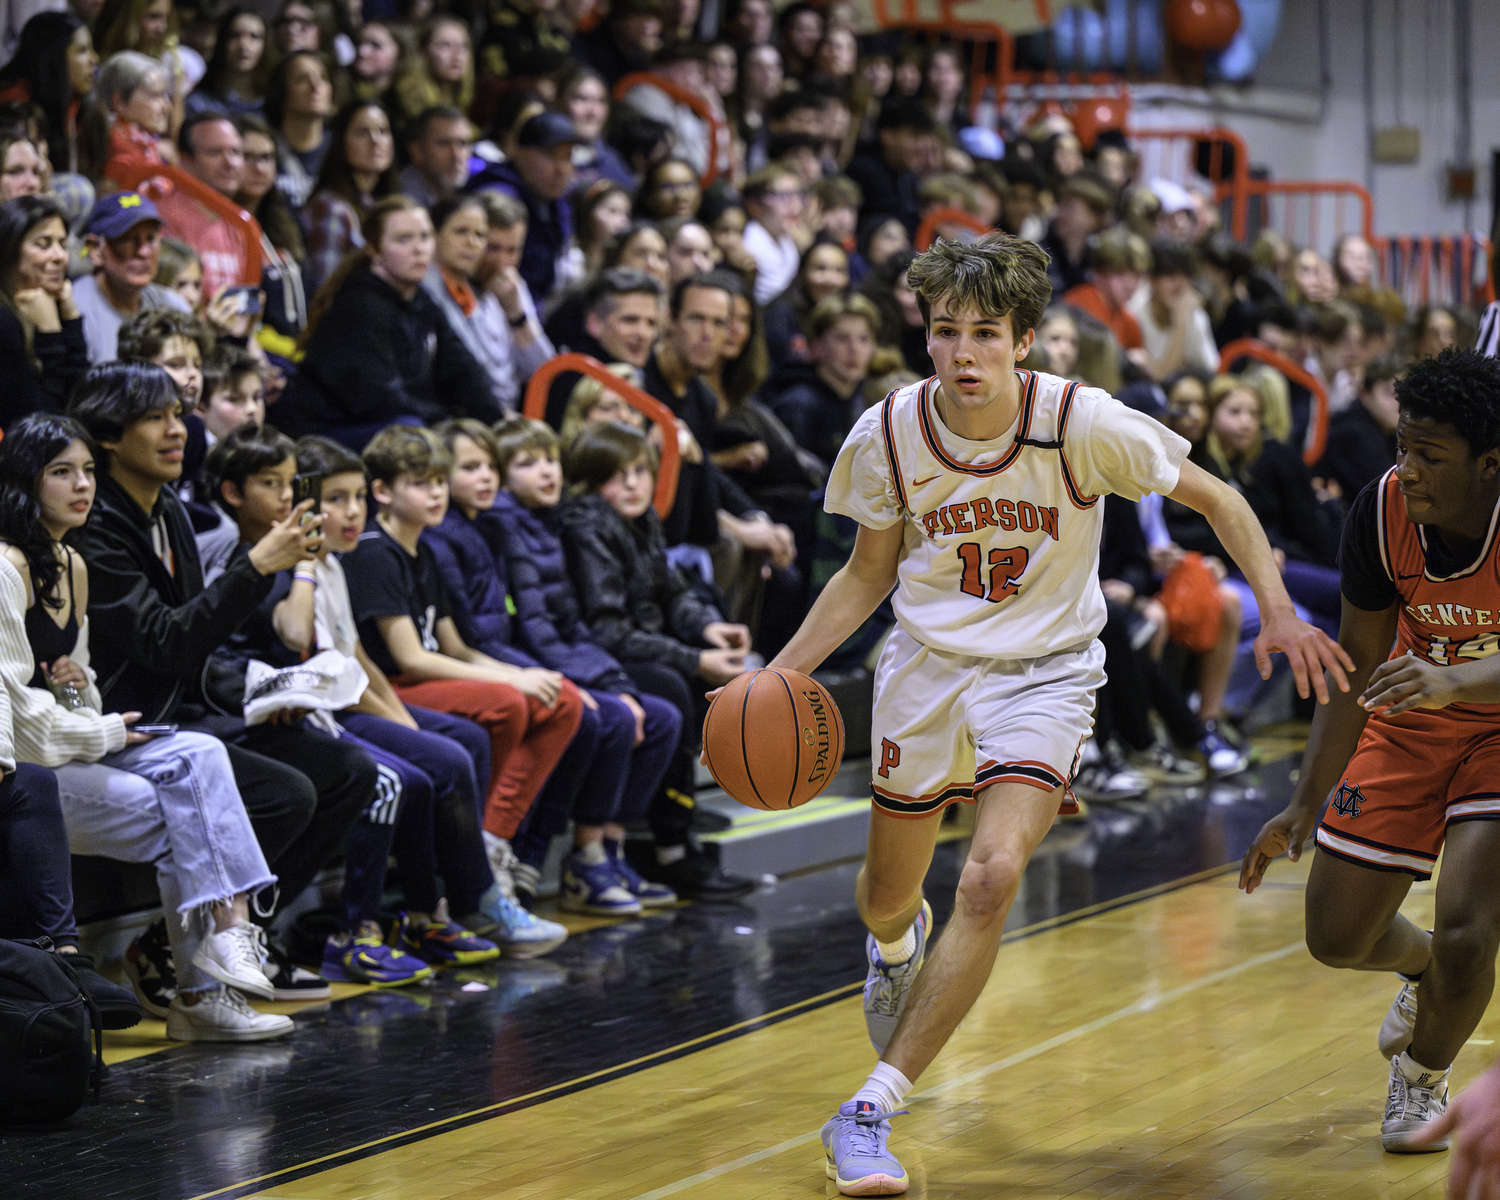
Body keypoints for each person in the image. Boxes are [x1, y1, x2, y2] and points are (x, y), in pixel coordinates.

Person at [743, 233, 1353, 1196]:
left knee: (988, 880)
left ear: (1025, 339)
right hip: (928, 668)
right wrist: (772, 676)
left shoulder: (1084, 422)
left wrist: (1276, 611)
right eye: (946, 331)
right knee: (886, 894)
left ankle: (866, 1111)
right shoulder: (890, 430)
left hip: (1047, 672)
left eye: (986, 332)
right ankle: (895, 949)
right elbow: (868, 571)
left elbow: (1224, 498)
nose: (964, 353)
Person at [1239, 348, 1500, 1154]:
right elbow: (1356, 667)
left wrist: (1459, 683)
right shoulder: (1381, 512)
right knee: (1337, 937)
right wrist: (1302, 804)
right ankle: (1421, 972)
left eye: (1431, 455)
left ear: (1491, 465)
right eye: (1402, 448)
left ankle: (1422, 1077)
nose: (1408, 470)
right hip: (1412, 710)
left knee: (1469, 929)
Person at [67, 360, 372, 1002]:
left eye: (179, 414)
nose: (176, 430)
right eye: (154, 417)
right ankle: (193, 944)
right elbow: (164, 642)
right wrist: (259, 566)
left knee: (348, 770)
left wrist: (261, 695)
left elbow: (195, 646)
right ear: (109, 438)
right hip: (130, 721)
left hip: (193, 705)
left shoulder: (169, 509)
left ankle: (227, 938)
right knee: (284, 794)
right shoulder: (97, 529)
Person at [0, 412, 291, 1041]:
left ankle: (227, 941)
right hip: (28, 772)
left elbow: (72, 692)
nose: (82, 486)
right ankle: (202, 988)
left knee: (200, 751)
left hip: (68, 745)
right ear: (24, 483)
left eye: (86, 472)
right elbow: (12, 714)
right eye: (61, 472)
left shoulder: (72, 563)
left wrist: (82, 694)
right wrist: (100, 730)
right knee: (184, 812)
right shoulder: (4, 566)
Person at [206, 425, 504, 979]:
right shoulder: (260, 562)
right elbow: (297, 636)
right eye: (335, 499)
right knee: (399, 779)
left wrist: (406, 724)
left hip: (321, 708)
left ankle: (429, 912)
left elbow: (356, 658)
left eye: (358, 498)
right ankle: (354, 932)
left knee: (445, 754)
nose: (352, 513)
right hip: (282, 713)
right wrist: (301, 564)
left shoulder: (334, 565)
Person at [428, 418, 680, 913]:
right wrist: (570, 682)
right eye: (524, 463)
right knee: (591, 714)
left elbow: (566, 624)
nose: (545, 472)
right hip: (495, 663)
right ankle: (535, 857)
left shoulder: (537, 524)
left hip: (526, 659)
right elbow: (499, 635)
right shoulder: (494, 528)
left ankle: (606, 849)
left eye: (549, 459)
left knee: (662, 714)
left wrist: (610, 679)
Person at [340, 423, 585, 918]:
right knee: (508, 702)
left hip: (430, 676)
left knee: (564, 699)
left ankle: (492, 832)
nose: (435, 492)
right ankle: (471, 848)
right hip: (397, 687)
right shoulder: (374, 552)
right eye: (420, 483)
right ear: (382, 492)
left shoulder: (424, 548)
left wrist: (524, 674)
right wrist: (513, 679)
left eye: (437, 480)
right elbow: (412, 658)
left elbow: (457, 646)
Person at [560, 419, 755, 899]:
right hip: (592, 656)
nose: (632, 484)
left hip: (633, 646)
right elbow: (607, 631)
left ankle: (666, 835)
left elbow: (672, 591)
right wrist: (694, 658)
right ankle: (669, 845)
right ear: (588, 480)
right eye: (617, 474)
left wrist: (706, 626)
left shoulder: (640, 519)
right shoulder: (586, 525)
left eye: (640, 472)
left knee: (687, 680)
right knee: (673, 687)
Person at [280, 194, 500, 444]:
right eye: (403, 239)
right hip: (328, 431)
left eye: (425, 237)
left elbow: (464, 371)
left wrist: (497, 420)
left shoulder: (421, 299)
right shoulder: (360, 304)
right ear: (374, 249)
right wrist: (447, 422)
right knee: (415, 435)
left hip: (387, 421)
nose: (419, 249)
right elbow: (379, 398)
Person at [423, 191, 553, 415]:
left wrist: (517, 317)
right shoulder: (434, 285)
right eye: (493, 248)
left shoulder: (511, 285)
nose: (503, 262)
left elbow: (545, 374)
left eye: (512, 250)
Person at [466, 110, 582, 307]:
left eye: (568, 156)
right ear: (518, 152)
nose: (562, 169)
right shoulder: (496, 198)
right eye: (551, 156)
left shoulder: (555, 200)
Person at [0, 194, 88, 428]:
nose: (60, 256)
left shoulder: (56, 304)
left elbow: (85, 405)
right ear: (9, 250)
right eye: (44, 244)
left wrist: (70, 321)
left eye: (62, 244)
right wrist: (50, 336)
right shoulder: (4, 321)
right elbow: (39, 427)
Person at [72, 189, 190, 363]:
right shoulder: (77, 310)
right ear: (95, 249)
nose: (143, 252)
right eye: (127, 239)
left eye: (151, 238)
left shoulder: (171, 305)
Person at [766, 291, 879, 465]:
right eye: (842, 338)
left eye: (863, 339)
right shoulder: (796, 405)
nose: (854, 349)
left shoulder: (872, 398)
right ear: (817, 345)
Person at [154, 113, 251, 302]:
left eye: (236, 152)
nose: (230, 163)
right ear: (184, 161)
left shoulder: (239, 222)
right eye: (214, 153)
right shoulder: (163, 215)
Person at [0, 11, 97, 180]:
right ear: (53, 57)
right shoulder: (15, 105)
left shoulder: (76, 103)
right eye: (82, 51)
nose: (94, 59)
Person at [1129, 239, 1219, 379]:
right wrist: (1180, 323)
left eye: (1185, 276)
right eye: (1170, 275)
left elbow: (1211, 372)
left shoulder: (1195, 316)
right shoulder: (1134, 312)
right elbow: (1158, 377)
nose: (1179, 284)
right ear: (1151, 279)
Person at [261, 49, 332, 212]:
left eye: (323, 78)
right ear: (281, 90)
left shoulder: (341, 148)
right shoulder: (263, 146)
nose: (315, 87)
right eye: (302, 79)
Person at [184, 7, 267, 120]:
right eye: (235, 35)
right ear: (221, 42)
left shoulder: (272, 105)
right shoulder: (198, 103)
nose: (244, 45)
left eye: (254, 36)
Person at [390, 16, 472, 129]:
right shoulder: (398, 105)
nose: (458, 55)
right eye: (445, 45)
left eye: (464, 46)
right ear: (423, 52)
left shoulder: (462, 104)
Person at [742, 163, 807, 306]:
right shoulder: (749, 244)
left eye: (799, 195)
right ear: (754, 205)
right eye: (784, 196)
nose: (795, 205)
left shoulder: (787, 239)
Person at [400, 106, 472, 209]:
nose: (456, 155)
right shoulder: (404, 204)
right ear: (417, 150)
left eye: (463, 143)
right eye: (444, 143)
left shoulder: (464, 198)